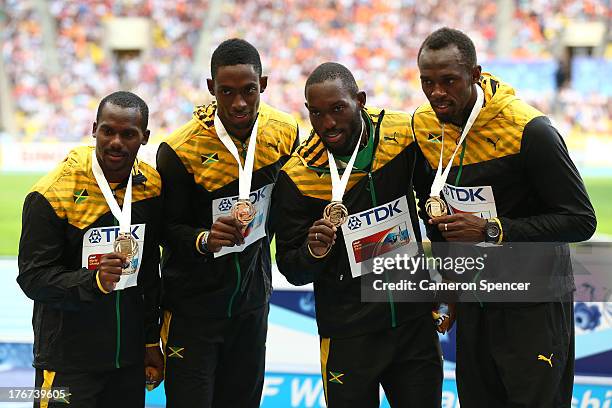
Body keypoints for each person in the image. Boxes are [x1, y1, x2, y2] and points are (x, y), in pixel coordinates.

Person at [412, 27, 597, 407]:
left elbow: (580, 218)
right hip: (477, 304)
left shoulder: (529, 129)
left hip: (532, 307)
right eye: (427, 83)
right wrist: (449, 284)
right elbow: (438, 214)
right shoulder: (425, 126)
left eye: (449, 81)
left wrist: (493, 230)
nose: (437, 94)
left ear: (475, 75)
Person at [273, 62, 442, 408]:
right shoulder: (298, 175)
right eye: (317, 114)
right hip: (349, 333)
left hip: (412, 324)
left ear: (360, 100)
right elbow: (291, 266)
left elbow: (434, 207)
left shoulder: (403, 134)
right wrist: (313, 253)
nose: (328, 124)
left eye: (338, 109)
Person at [156, 38, 299, 407]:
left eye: (249, 90)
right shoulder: (179, 150)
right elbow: (165, 228)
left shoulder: (285, 132)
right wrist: (203, 239)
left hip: (251, 305)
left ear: (263, 85)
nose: (238, 103)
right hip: (192, 312)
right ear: (210, 89)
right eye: (227, 91)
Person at [18, 91, 164, 407]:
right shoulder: (52, 193)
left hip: (126, 361)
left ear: (145, 138)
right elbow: (32, 278)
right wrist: (92, 281)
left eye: (128, 134)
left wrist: (151, 339)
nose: (116, 142)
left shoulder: (150, 186)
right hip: (67, 362)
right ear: (94, 128)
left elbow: (150, 270)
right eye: (108, 131)